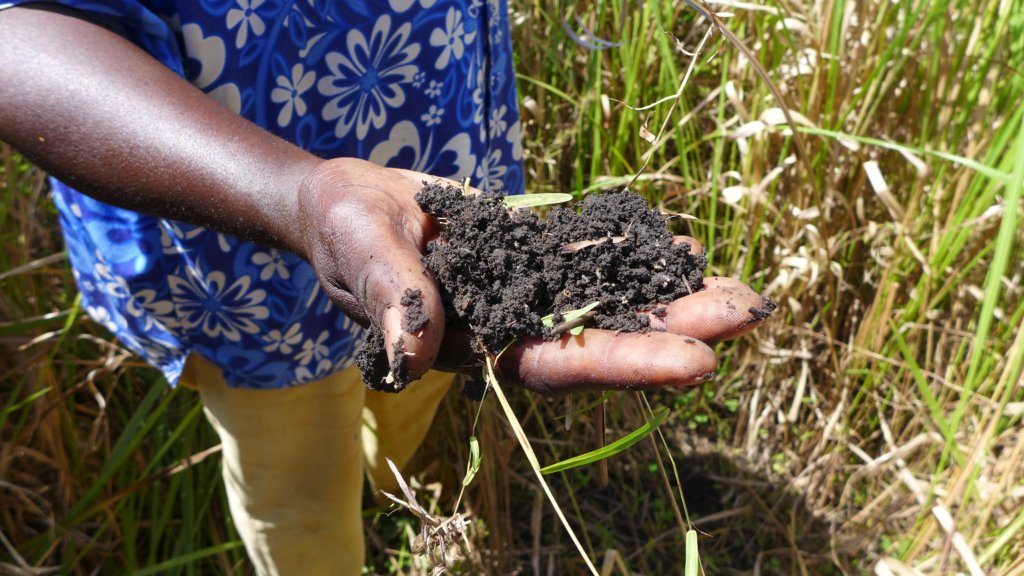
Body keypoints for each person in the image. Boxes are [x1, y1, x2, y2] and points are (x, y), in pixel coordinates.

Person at [0, 2, 769, 573]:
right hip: (236, 253)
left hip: (438, 192)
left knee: (418, 388)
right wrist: (296, 199)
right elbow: (20, 34)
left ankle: (409, 506)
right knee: (296, 483)